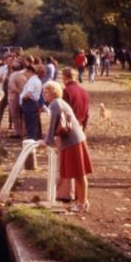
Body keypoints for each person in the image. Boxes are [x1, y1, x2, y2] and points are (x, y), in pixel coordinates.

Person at [38, 81, 93, 213]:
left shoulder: (55, 104)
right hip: (75, 140)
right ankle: (82, 202)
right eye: (43, 92)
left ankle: (82, 203)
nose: (43, 95)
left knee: (79, 173)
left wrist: (46, 141)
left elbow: (52, 125)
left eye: (46, 92)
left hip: (72, 141)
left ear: (53, 92)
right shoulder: (59, 103)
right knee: (78, 173)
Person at [19, 65, 42, 140]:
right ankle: (33, 139)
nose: (25, 74)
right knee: (32, 123)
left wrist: (23, 98)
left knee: (30, 124)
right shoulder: (36, 80)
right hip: (33, 103)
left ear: (30, 72)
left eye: (26, 72)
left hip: (29, 103)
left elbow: (28, 93)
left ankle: (31, 140)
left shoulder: (32, 81)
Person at [7, 61, 26, 138]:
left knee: (15, 115)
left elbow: (13, 87)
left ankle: (17, 132)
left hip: (14, 97)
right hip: (22, 97)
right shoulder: (23, 75)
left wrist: (20, 93)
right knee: (22, 116)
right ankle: (23, 131)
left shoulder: (13, 76)